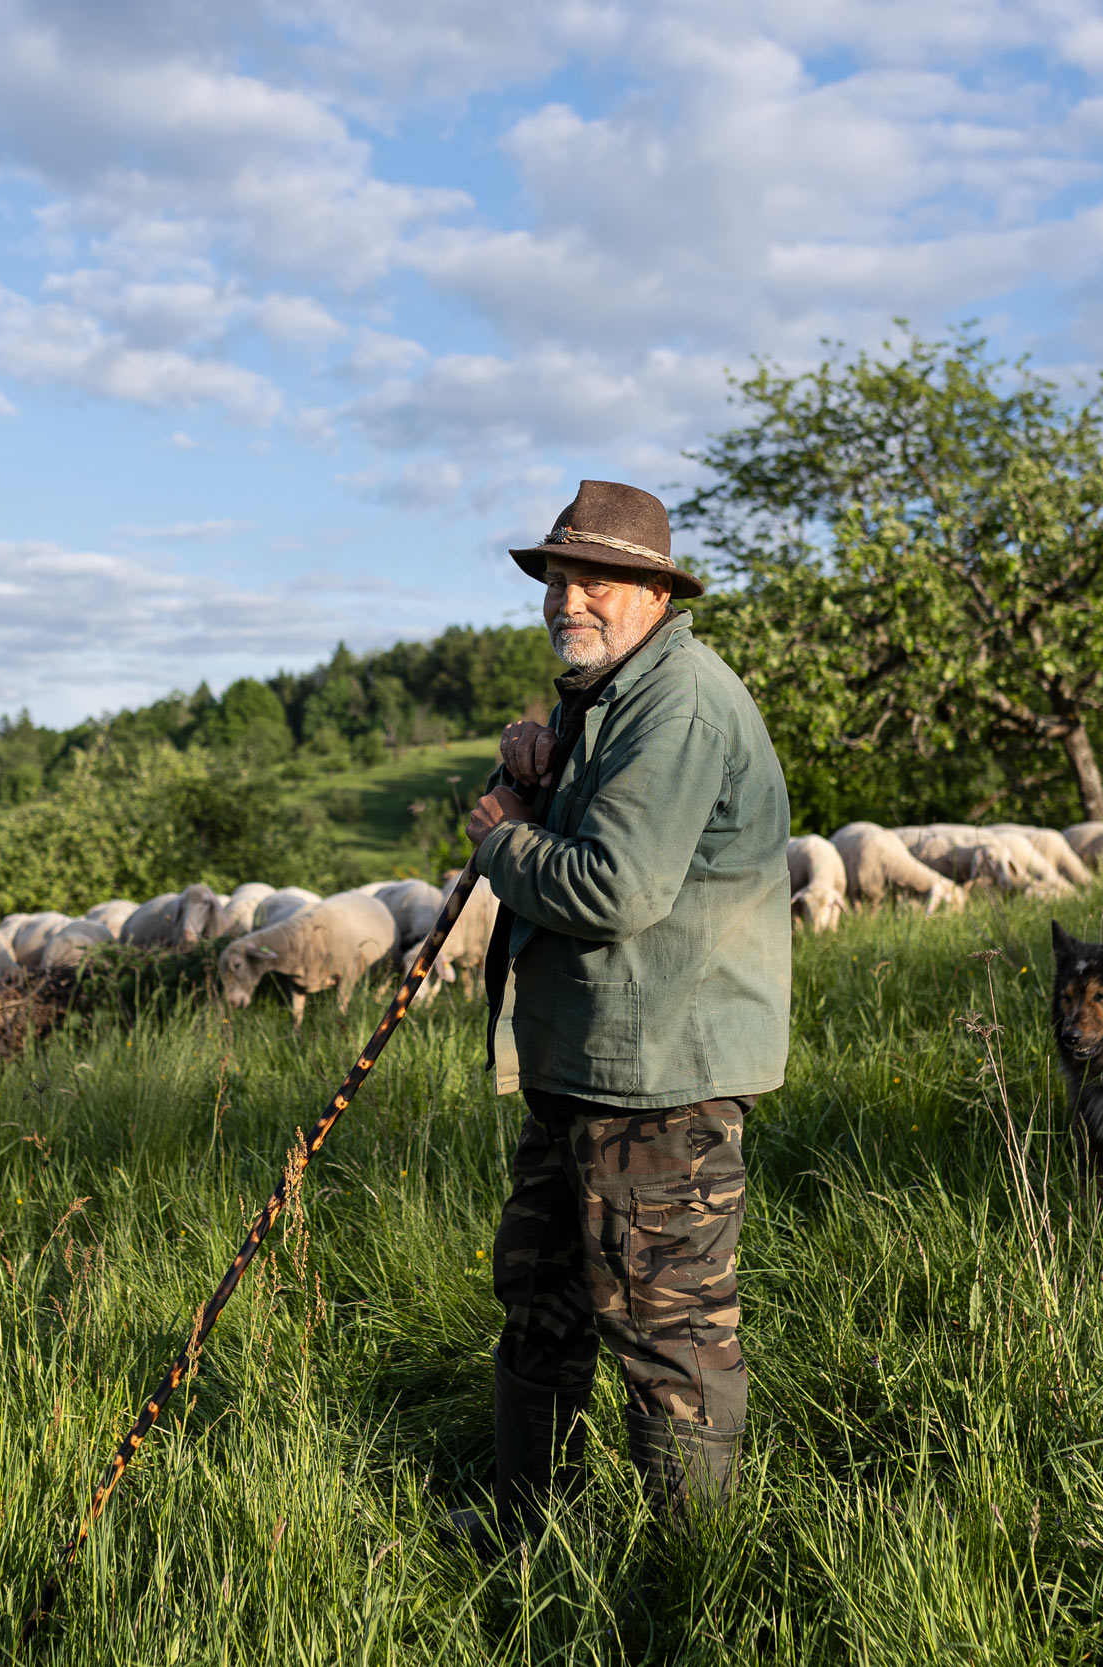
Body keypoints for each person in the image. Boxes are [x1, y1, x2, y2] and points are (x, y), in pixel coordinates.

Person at [458, 479, 790, 1543]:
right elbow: (604, 825)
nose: (567, 600)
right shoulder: (609, 696)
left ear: (653, 589)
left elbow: (614, 889)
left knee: (669, 1328)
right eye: (557, 578)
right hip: (589, 1060)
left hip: (662, 1076)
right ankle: (527, 1531)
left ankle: (694, 1577)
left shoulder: (679, 701)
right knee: (540, 1296)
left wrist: (502, 835)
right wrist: (539, 769)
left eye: (594, 578)